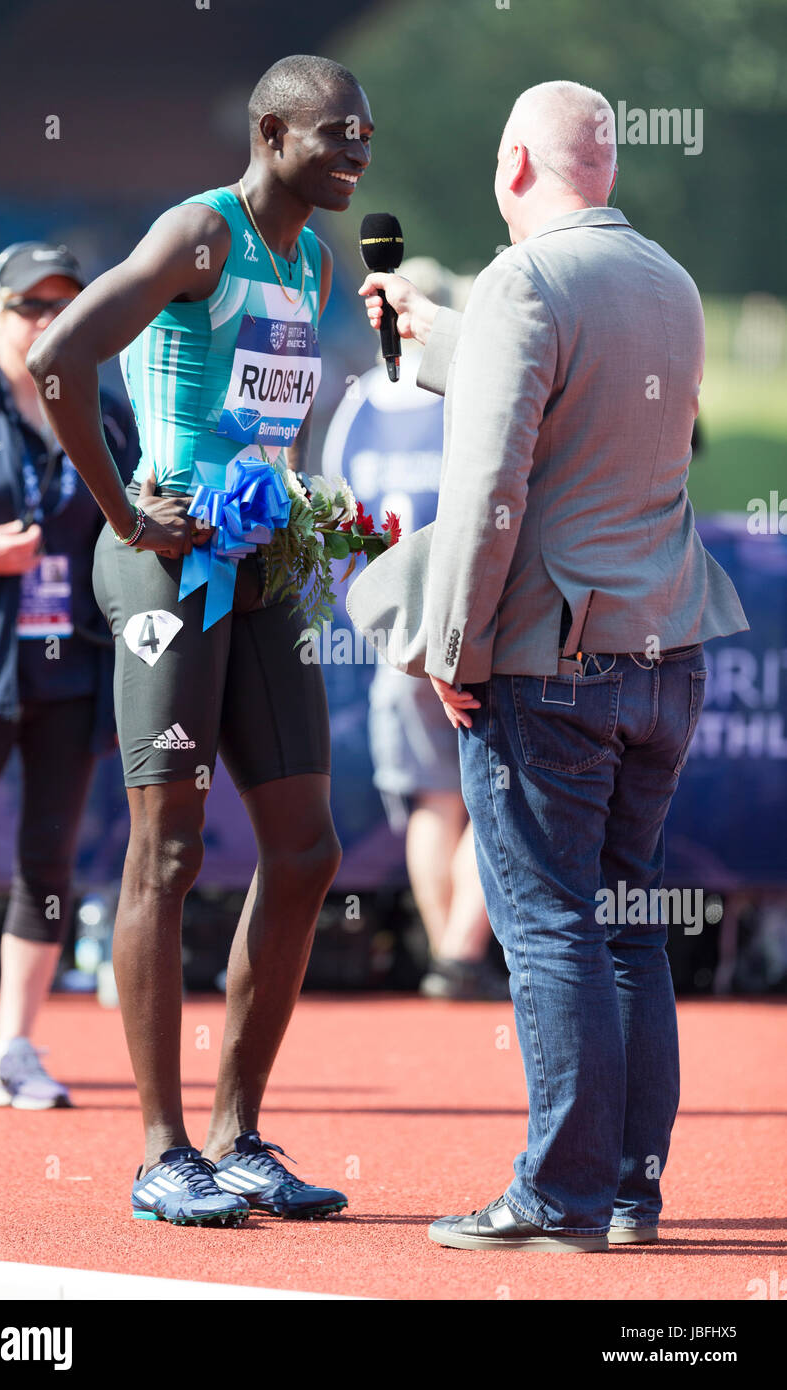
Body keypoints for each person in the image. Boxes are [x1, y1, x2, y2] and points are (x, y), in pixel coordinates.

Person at [359, 80, 748, 1251]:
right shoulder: (670, 283)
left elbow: (489, 490)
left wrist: (447, 645)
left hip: (548, 659)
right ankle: (626, 1187)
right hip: (663, 649)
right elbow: (588, 412)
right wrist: (439, 340)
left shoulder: (523, 280)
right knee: (625, 921)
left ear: (513, 164)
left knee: (548, 926)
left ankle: (560, 1194)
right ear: (610, 169)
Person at [26, 55, 373, 1227]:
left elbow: (274, 417)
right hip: (166, 565)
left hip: (265, 571)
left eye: (363, 133)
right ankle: (160, 1149)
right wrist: (126, 510)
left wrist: (316, 507)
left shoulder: (315, 263)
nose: (356, 150)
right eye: (335, 133)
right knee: (166, 855)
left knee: (308, 849)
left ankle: (237, 1132)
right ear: (270, 133)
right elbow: (56, 358)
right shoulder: (197, 235)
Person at [0, 241, 138, 1108]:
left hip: (70, 672)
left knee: (47, 859)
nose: (46, 323)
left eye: (63, 308)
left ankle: (13, 1050)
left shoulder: (108, 414)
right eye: (30, 308)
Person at [322, 257, 505, 1001]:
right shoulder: (468, 393)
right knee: (500, 791)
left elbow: (334, 515)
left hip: (393, 630)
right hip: (475, 618)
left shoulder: (356, 404)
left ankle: (446, 957)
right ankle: (460, 952)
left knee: (435, 797)